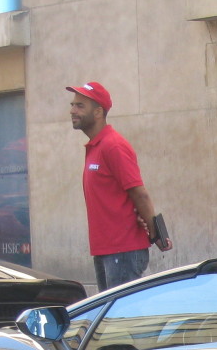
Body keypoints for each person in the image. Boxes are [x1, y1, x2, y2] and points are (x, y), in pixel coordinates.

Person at [67, 81, 171, 292]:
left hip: (123, 251)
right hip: (107, 250)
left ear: (98, 112)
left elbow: (139, 194)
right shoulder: (96, 146)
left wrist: (156, 233)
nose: (72, 110)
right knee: (111, 320)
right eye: (72, 105)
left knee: (122, 321)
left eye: (80, 106)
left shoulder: (113, 145)